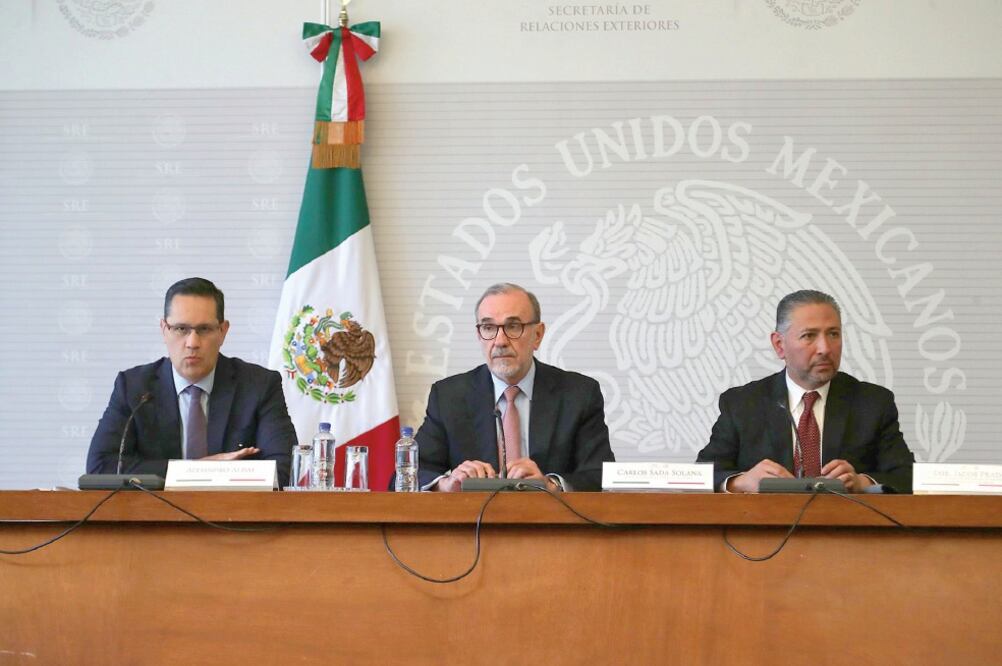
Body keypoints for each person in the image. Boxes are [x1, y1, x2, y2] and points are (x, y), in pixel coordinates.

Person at [696, 290, 914, 493]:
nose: (825, 348)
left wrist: (862, 482)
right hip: (766, 528)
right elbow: (702, 473)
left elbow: (908, 475)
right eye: (809, 336)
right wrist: (741, 481)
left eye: (833, 334)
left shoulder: (872, 403)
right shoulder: (743, 403)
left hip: (846, 528)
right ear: (779, 345)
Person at [86, 277, 296, 485]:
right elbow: (100, 466)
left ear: (223, 332)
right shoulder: (134, 387)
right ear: (164, 329)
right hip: (153, 516)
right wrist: (201, 468)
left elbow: (284, 469)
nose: (192, 342)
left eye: (204, 329)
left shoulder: (259, 385)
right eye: (181, 329)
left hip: (234, 514)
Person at [412, 283, 615, 492]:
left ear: (537, 335)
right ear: (479, 335)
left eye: (513, 327)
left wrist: (550, 485)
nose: (500, 341)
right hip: (474, 522)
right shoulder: (449, 396)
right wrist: (446, 484)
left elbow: (600, 474)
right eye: (489, 327)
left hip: (550, 521)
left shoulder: (579, 394)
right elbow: (409, 473)